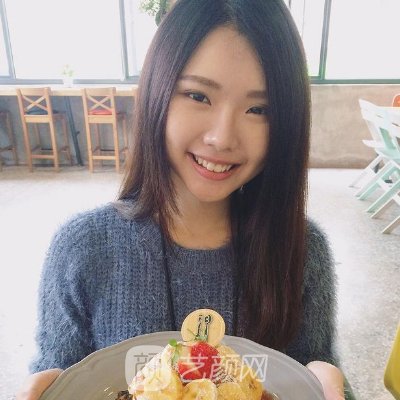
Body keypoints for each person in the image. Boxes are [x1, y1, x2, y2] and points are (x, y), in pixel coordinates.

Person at [16, 0, 345, 399]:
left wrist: (336, 389)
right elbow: (62, 380)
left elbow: (313, 377)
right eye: (198, 96)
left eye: (259, 109)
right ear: (157, 91)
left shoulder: (301, 249)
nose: (222, 137)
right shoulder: (84, 249)